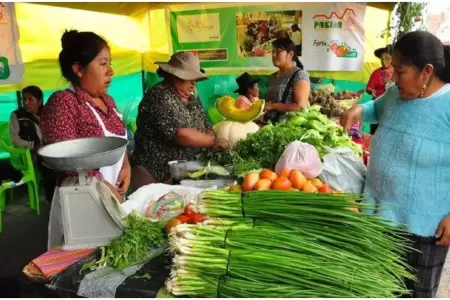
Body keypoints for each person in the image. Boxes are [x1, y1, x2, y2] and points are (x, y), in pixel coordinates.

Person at [340, 31, 450, 298]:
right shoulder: (396, 95)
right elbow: (376, 108)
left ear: (427, 71)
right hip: (378, 216)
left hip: (424, 230)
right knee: (376, 290)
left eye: (400, 72)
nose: (392, 78)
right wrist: (357, 111)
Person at [40, 30, 130, 249]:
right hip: (82, 200)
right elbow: (65, 156)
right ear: (78, 69)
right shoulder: (64, 103)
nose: (111, 71)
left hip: (115, 196)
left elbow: (118, 140)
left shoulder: (108, 101)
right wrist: (101, 186)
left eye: (110, 63)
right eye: (102, 63)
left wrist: (126, 165)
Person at [130, 51, 224, 188]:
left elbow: (207, 127)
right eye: (189, 78)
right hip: (154, 175)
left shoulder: (191, 100)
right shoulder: (159, 96)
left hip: (178, 174)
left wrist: (208, 138)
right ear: (174, 76)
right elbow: (181, 135)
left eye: (195, 79)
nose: (193, 83)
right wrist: (213, 141)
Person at [9, 86, 57, 203]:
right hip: (29, 154)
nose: (26, 102)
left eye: (31, 99)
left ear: (39, 101)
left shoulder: (47, 113)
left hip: (48, 149)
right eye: (24, 99)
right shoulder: (17, 116)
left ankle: (61, 195)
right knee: (49, 167)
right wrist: (33, 145)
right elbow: (15, 140)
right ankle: (52, 199)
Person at [263, 38, 310, 124]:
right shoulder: (272, 77)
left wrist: (274, 106)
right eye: (272, 52)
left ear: (290, 54)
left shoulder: (299, 74)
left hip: (288, 128)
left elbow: (301, 107)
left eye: (278, 51)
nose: (273, 55)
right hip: (268, 125)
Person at [366, 44, 394, 134]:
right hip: (377, 106)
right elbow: (368, 88)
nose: (384, 61)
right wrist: (371, 91)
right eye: (382, 58)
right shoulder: (376, 73)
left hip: (392, 107)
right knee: (375, 131)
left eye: (387, 58)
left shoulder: (398, 72)